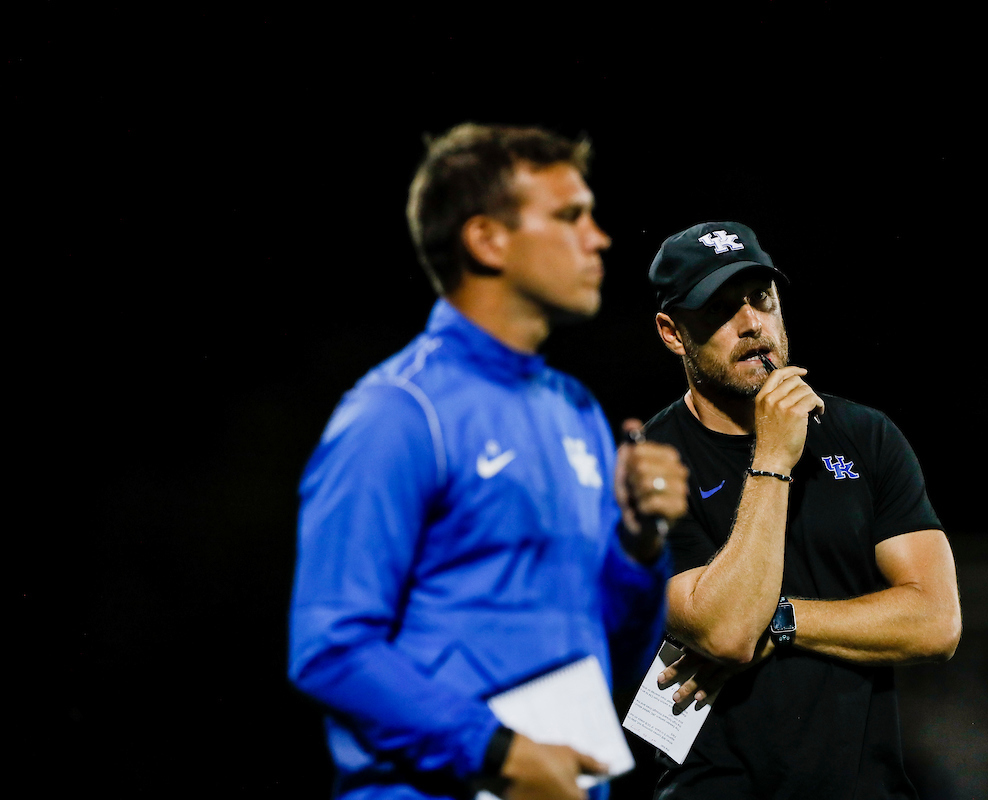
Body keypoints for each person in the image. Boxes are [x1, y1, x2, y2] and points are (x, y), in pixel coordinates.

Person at [288, 123, 690, 800]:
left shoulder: (576, 412)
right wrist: (495, 751)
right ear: (487, 240)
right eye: (569, 216)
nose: (598, 238)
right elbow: (330, 648)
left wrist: (638, 546)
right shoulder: (398, 412)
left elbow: (610, 654)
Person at [641, 222, 962, 799]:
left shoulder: (866, 436)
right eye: (719, 308)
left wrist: (783, 621)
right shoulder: (648, 464)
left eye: (761, 298)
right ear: (672, 333)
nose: (752, 324)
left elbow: (937, 622)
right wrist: (772, 456)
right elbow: (728, 633)